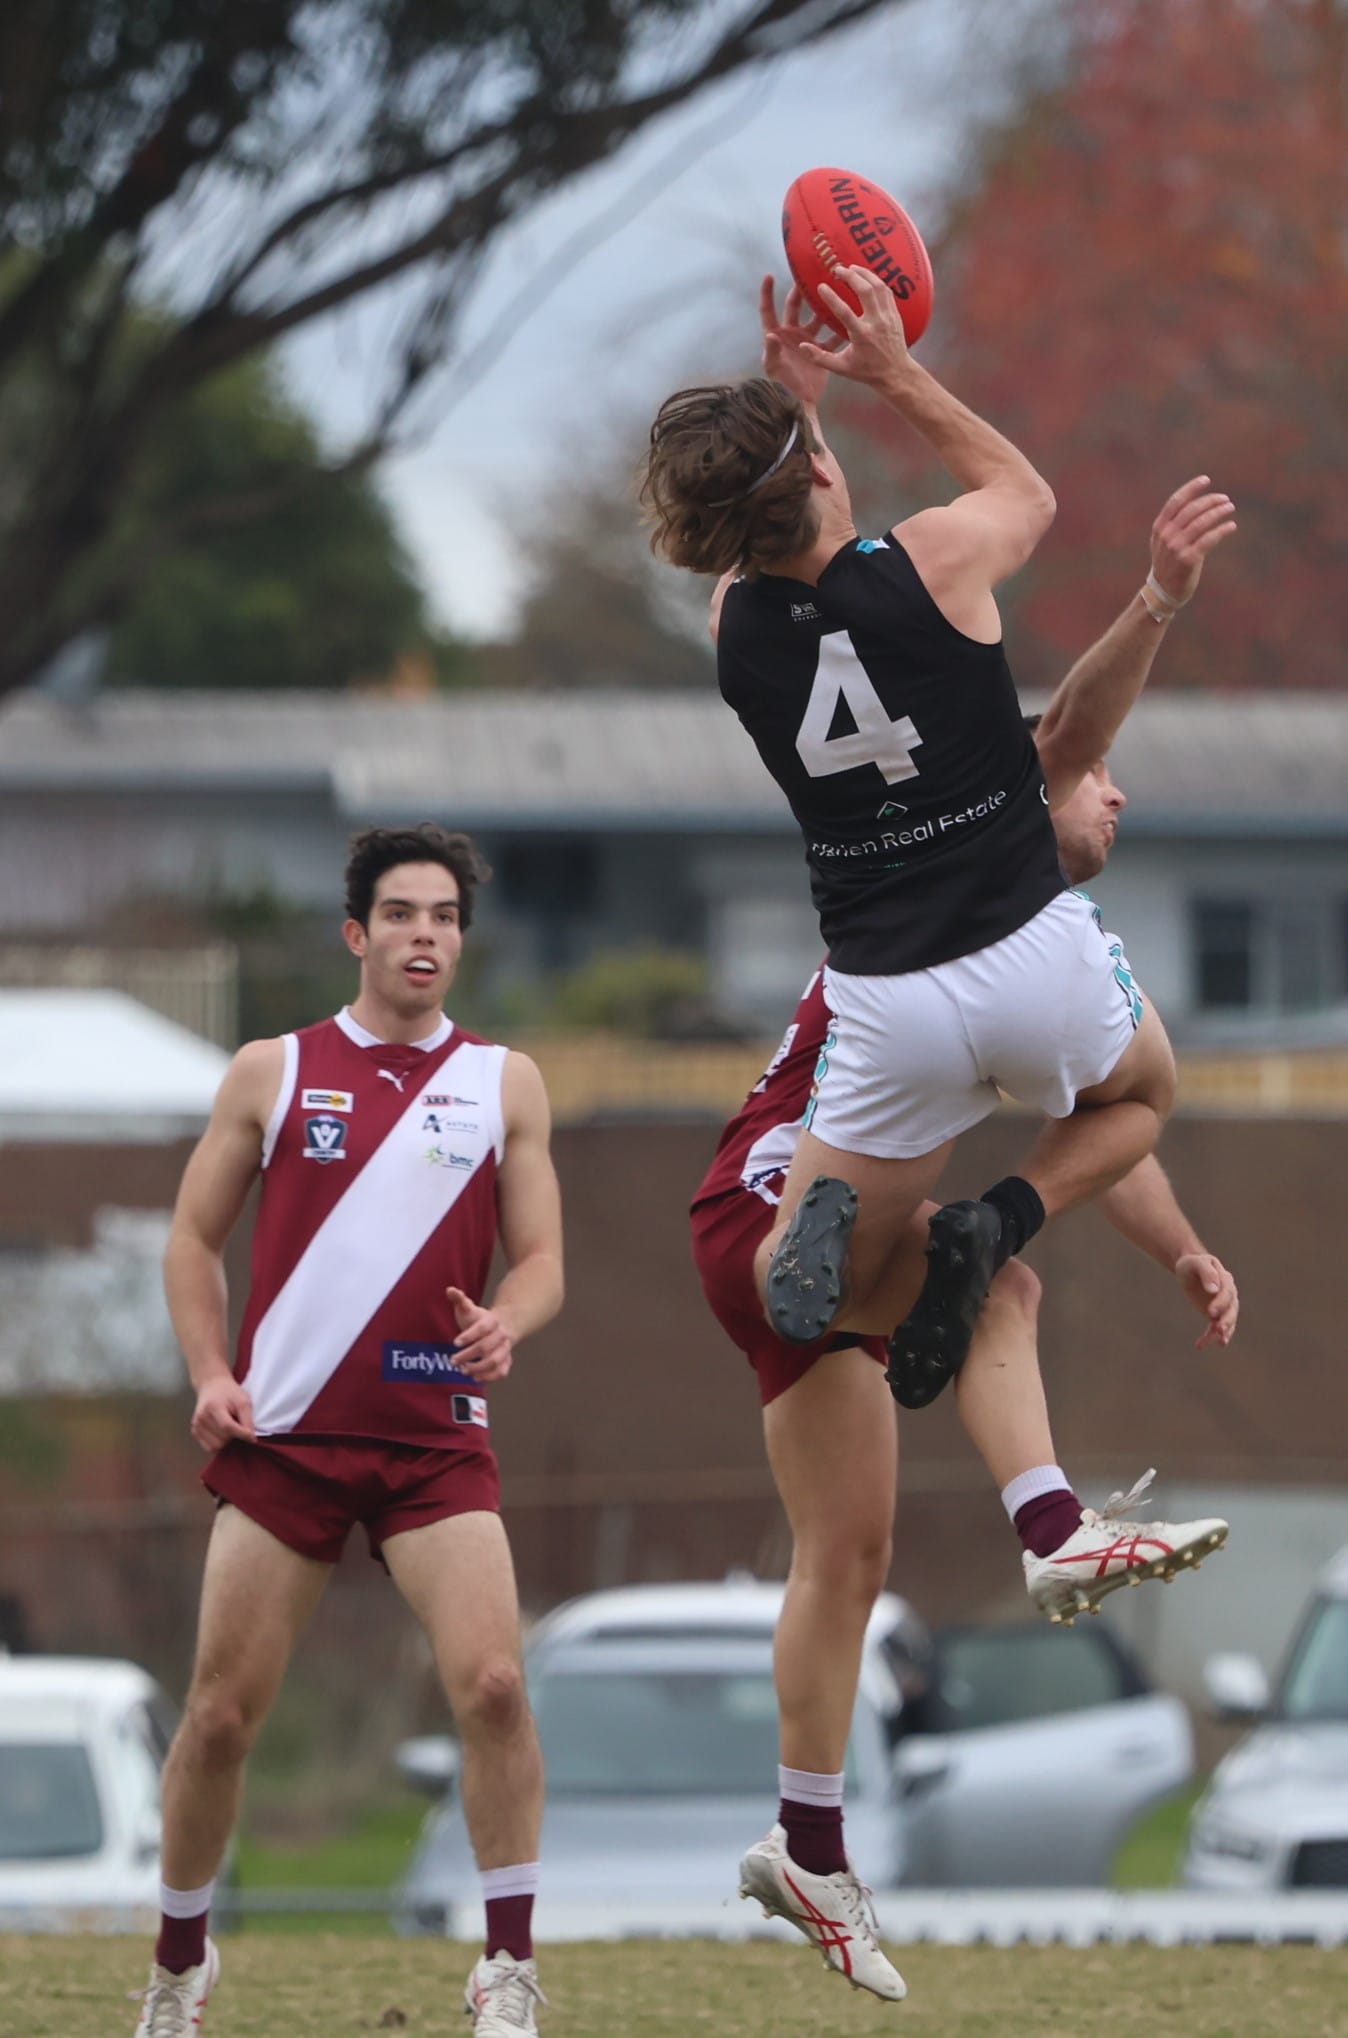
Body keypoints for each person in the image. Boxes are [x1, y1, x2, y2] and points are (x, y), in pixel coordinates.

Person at [690, 479, 1236, 2000]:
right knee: (986, 1264)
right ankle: (1049, 1526)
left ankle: (807, 1846)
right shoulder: (979, 913)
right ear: (1028, 787)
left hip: (772, 1225)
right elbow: (1112, 1101)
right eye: (1099, 782)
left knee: (848, 1552)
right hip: (783, 1200)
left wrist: (1180, 1250)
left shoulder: (1006, 940)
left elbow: (1101, 1134)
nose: (1113, 801)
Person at [643, 268, 1237, 1411]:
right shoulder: (932, 560)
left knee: (810, 1282)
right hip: (1030, 948)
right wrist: (890, 371)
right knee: (1136, 1100)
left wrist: (793, 412)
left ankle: (839, 1235)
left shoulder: (735, 632)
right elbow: (1026, 492)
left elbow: (763, 542)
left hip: (887, 998)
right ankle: (999, 1222)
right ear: (821, 472)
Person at [130, 825, 563, 2038]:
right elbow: (189, 1241)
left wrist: (510, 1321)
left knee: (494, 1686)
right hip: (287, 1443)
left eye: (446, 916)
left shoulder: (504, 1081)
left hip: (435, 1441)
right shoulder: (272, 1070)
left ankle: (507, 1968)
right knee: (220, 1718)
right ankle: (178, 1968)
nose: (427, 934)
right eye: (403, 913)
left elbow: (542, 1261)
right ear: (356, 933)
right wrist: (210, 1373)